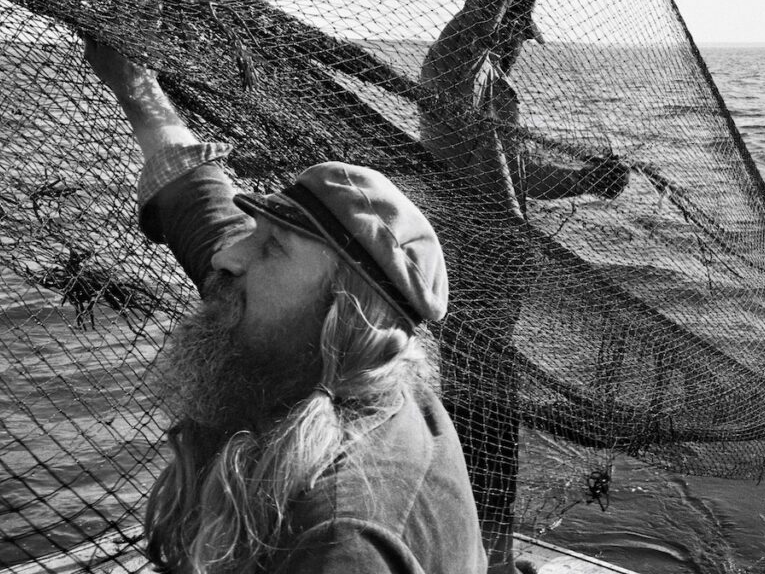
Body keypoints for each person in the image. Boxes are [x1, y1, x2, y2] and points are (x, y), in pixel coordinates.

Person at [82, 36, 487, 574]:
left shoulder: (342, 538)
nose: (229, 255)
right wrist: (135, 85)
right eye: (255, 230)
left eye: (271, 247)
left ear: (343, 314)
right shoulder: (347, 359)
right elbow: (200, 195)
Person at [418, 0, 627, 572]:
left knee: (492, 431)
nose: (518, 46)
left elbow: (519, 171)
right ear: (496, 19)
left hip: (496, 298)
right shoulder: (453, 64)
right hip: (472, 291)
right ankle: (482, 562)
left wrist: (587, 181)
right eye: (513, 30)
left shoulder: (492, 87)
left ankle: (489, 557)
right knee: (481, 435)